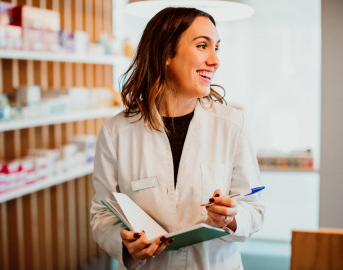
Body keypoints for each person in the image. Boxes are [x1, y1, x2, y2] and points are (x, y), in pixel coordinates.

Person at [91, 7, 264, 270]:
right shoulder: (116, 132)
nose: (215, 60)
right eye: (203, 46)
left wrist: (231, 217)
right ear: (166, 54)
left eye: (217, 48)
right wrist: (125, 242)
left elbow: (254, 208)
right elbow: (103, 213)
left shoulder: (232, 124)